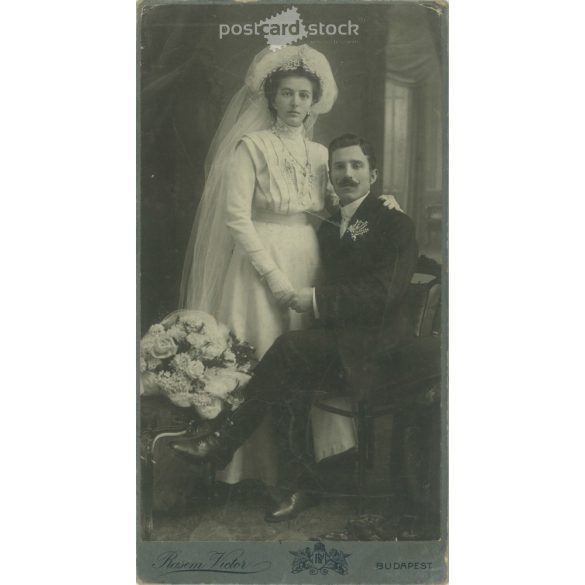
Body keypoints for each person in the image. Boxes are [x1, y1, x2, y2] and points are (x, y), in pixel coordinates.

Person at [179, 45, 401, 488]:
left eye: (303, 95)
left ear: (314, 100)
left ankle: (299, 466)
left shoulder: (321, 154)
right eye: (287, 94)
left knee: (299, 356)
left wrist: (382, 203)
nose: (296, 103)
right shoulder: (251, 147)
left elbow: (344, 203)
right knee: (260, 350)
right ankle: (247, 466)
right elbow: (237, 218)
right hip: (258, 260)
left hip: (307, 258)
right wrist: (274, 277)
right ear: (271, 97)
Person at [172, 134, 419, 522]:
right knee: (288, 371)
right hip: (341, 341)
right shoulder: (329, 226)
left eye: (357, 166)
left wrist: (316, 300)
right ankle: (299, 484)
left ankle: (223, 443)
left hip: (380, 348)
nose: (348, 174)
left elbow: (383, 292)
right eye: (339, 167)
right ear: (330, 176)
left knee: (288, 350)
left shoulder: (394, 222)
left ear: (374, 173)